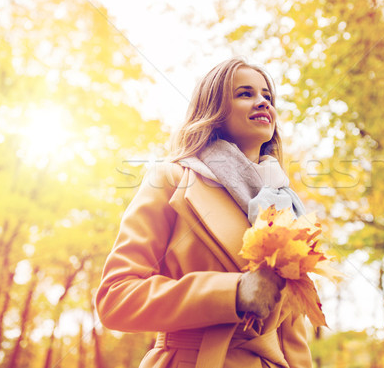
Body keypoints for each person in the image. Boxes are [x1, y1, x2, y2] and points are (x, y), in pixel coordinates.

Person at [95, 58, 313, 368]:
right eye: (245, 93)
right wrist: (232, 294)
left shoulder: (283, 202)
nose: (262, 101)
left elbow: (291, 331)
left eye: (267, 95)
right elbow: (116, 298)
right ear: (214, 110)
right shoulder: (171, 180)